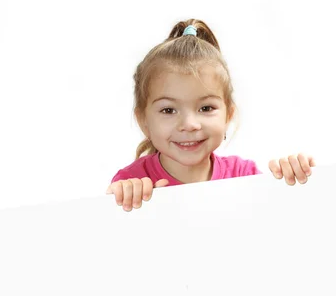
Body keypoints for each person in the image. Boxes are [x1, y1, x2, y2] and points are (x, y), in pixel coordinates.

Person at [106, 19, 315, 212]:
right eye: (168, 110)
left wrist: (291, 181)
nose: (189, 124)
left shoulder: (244, 175)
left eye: (206, 108)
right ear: (144, 122)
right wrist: (127, 203)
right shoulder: (130, 183)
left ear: (228, 115)